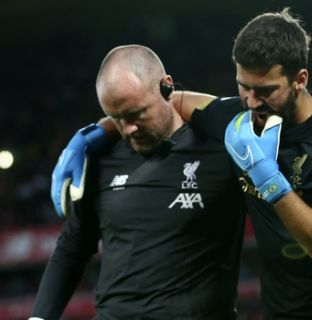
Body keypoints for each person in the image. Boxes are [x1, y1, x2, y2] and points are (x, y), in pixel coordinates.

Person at [48, 9, 312, 319]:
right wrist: (92, 134)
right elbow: (164, 101)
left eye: (265, 90)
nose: (251, 101)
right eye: (243, 87)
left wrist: (268, 180)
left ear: (299, 80)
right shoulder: (238, 120)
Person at [30, 44, 246, 319]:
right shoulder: (100, 158)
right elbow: (73, 247)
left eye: (136, 114)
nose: (128, 128)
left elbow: (247, 113)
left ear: (167, 87)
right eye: (117, 118)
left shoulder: (222, 149)